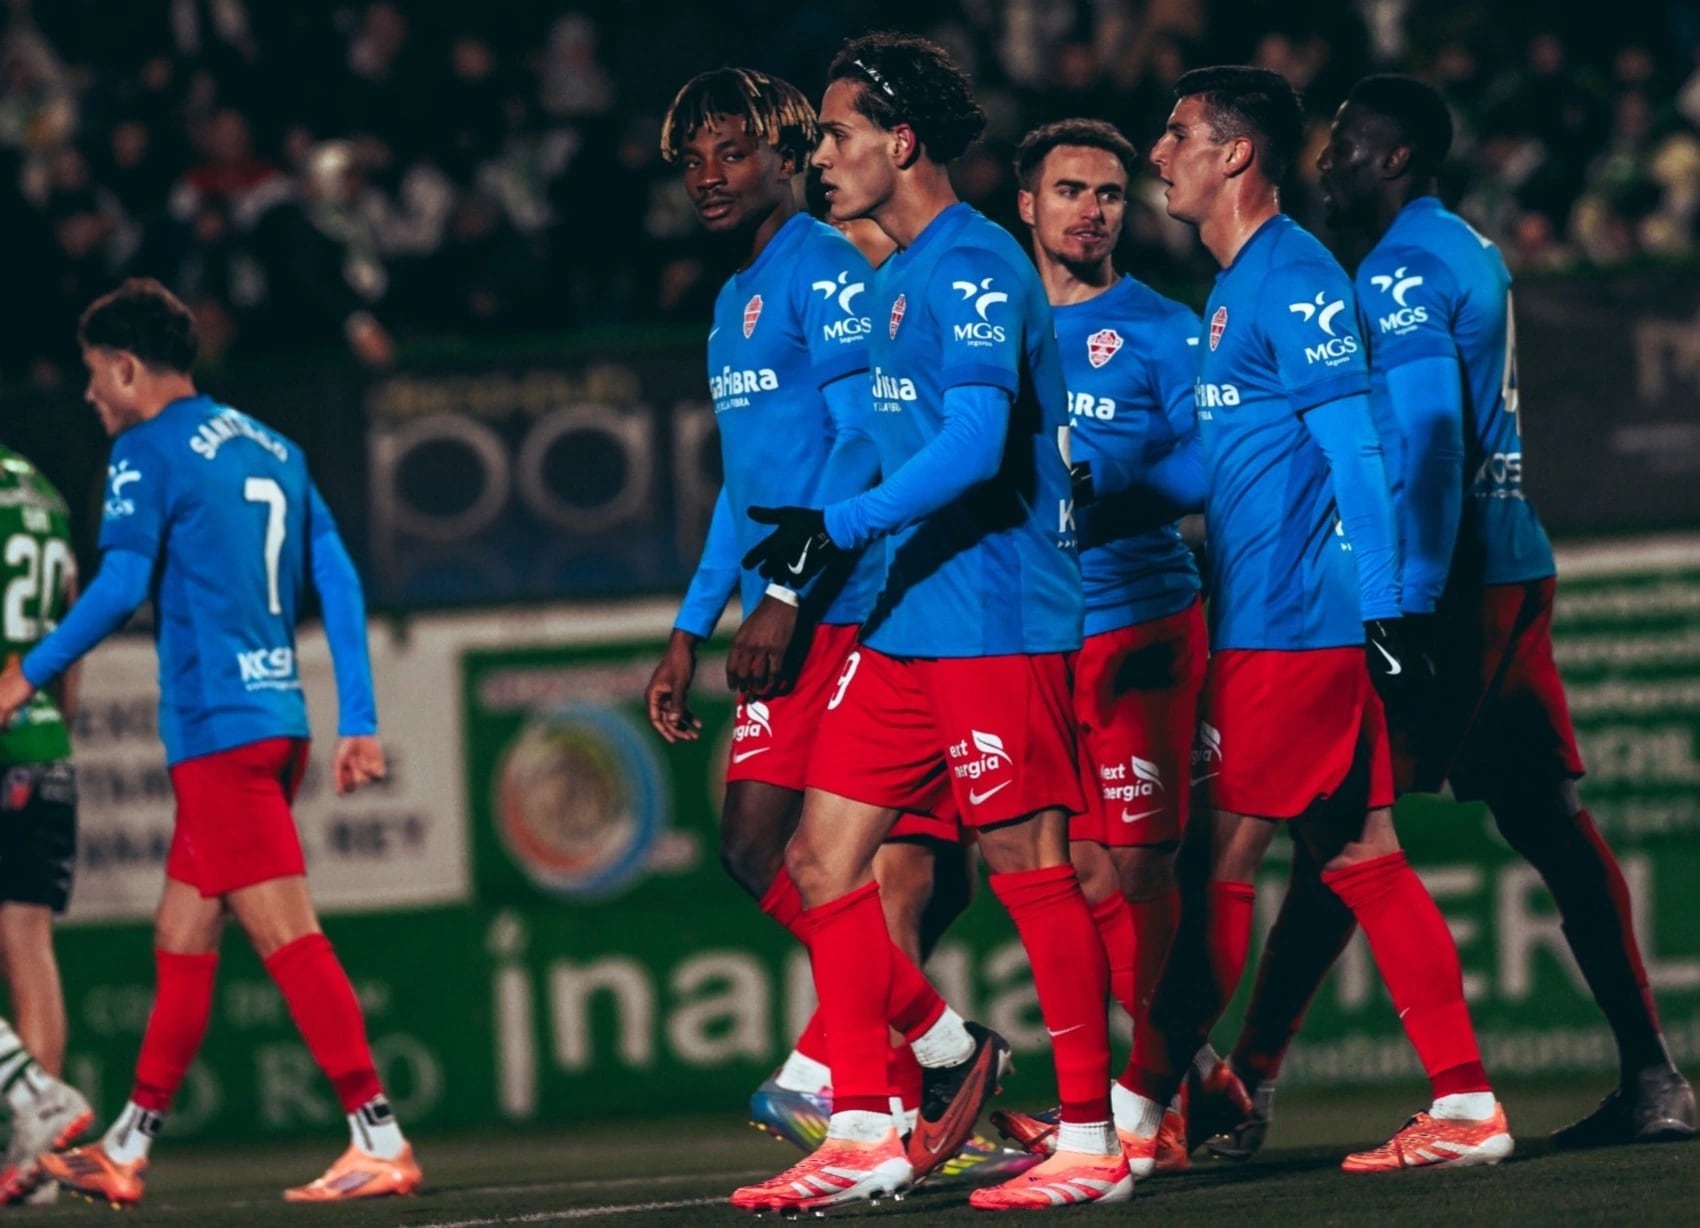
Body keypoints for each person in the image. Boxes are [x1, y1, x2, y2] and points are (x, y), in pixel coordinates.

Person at [1203, 73, 1696, 1160]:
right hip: (1510, 562)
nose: (1321, 164)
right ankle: (1653, 1075)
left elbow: (1426, 440)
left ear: (1392, 160)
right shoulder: (1461, 245)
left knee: (1336, 829)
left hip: (1451, 584)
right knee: (1543, 822)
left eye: (1342, 147)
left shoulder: (1397, 270)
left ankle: (1247, 1086)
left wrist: (1401, 604)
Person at [733, 33, 1130, 1213]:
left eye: (838, 137)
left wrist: (839, 523)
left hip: (995, 614)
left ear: (898, 143)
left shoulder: (971, 266)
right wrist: (805, 549)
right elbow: (874, 435)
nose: (819, 162)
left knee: (1024, 863)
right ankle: (862, 1123)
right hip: (911, 620)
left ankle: (1090, 1137)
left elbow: (969, 444)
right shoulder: (897, 279)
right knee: (818, 858)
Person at [1116, 66, 1513, 1177]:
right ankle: (1465, 1098)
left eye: (1179, 133)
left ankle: (1134, 1119)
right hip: (1288, 622)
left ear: (1235, 154)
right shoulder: (1235, 288)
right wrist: (1111, 497)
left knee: (1212, 870)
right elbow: (1221, 455)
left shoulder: (1290, 277)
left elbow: (1359, 451)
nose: (1160, 153)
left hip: (1293, 628)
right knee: (1360, 857)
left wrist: (1389, 607)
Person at [642, 66, 1017, 1179]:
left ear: (785, 156)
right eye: (694, 159)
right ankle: (936, 1057)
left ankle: (879, 1089)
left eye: (734, 153)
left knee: (829, 857)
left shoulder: (828, 268)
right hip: (781, 603)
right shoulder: (732, 299)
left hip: (845, 602)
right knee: (773, 851)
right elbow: (745, 482)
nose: (710, 177)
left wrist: (788, 590)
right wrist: (687, 621)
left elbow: (861, 441)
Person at [0, 279, 420, 1206]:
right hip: (276, 724)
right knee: (181, 933)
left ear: (125, 366)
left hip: (219, 735)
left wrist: (23, 674)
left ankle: (378, 1134)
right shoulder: (272, 444)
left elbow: (116, 588)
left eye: (92, 377)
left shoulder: (147, 450)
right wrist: (357, 718)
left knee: (289, 935)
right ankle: (127, 1146)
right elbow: (340, 580)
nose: (88, 396)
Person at [990, 118, 1206, 1174]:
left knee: (1140, 858)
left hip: (1140, 611)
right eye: (1069, 190)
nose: (1091, 210)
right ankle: (1177, 1069)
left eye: (1110, 194)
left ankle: (1154, 1092)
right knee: (1074, 865)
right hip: (1036, 625)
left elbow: (1209, 470)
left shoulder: (1163, 327)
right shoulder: (999, 327)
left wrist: (1108, 485)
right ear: (1024, 204)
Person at [0, 447, 95, 1204]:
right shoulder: (42, 489)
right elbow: (71, 619)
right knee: (29, 949)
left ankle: (33, 1095)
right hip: (42, 742)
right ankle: (37, 1168)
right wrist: (55, 724)